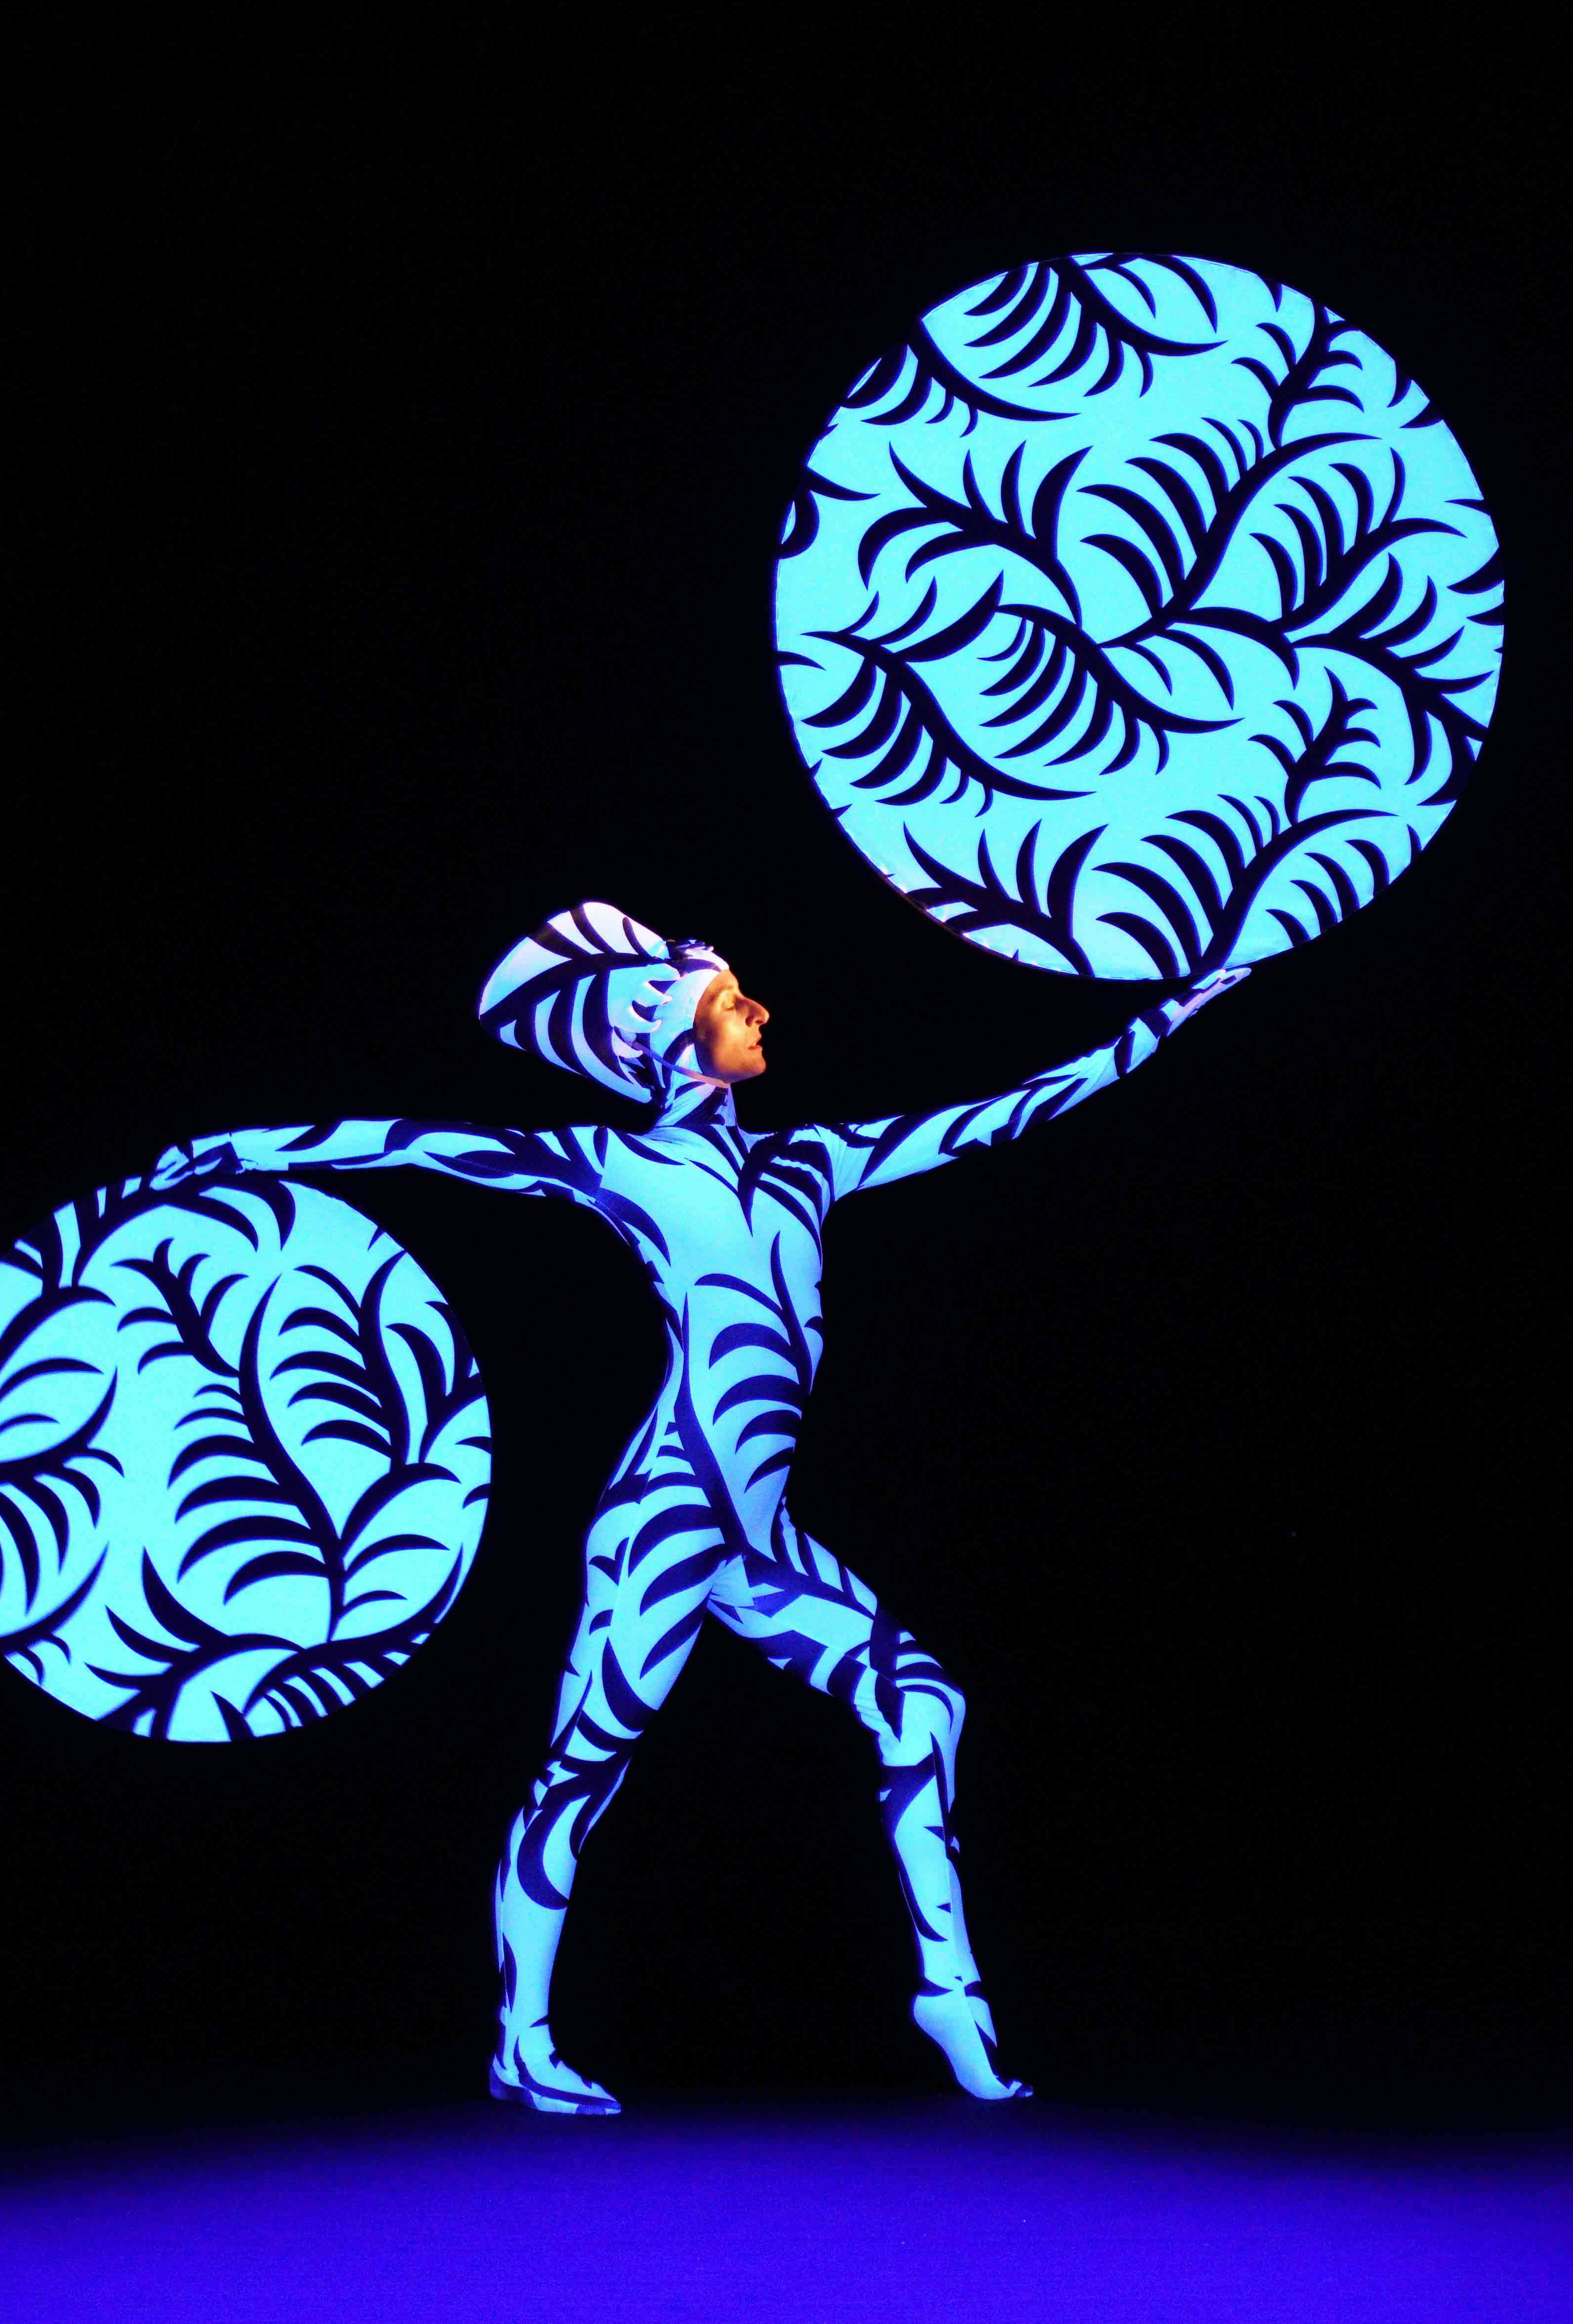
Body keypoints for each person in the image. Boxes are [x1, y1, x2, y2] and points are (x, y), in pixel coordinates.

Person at [154, 901, 1242, 2112]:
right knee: (581, 1769)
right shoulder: (624, 1165)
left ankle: (949, 1994)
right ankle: (519, 2037)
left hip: (759, 1536)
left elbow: (999, 1116)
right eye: (733, 1001)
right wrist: (241, 1149)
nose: (760, 1010)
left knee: (923, 1697)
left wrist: (1169, 1014)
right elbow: (421, 1142)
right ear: (667, 1040)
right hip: (668, 1512)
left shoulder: (808, 1161)